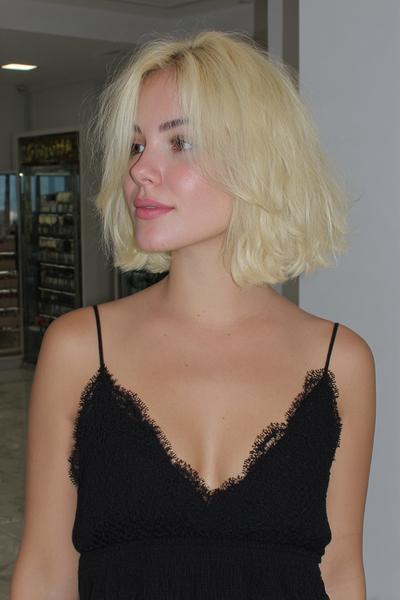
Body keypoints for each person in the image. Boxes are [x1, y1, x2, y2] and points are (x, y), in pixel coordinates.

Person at [11, 30, 376, 600]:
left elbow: (341, 571)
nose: (140, 170)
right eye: (136, 145)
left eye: (179, 142)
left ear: (258, 160)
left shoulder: (340, 362)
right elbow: (44, 570)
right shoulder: (79, 349)